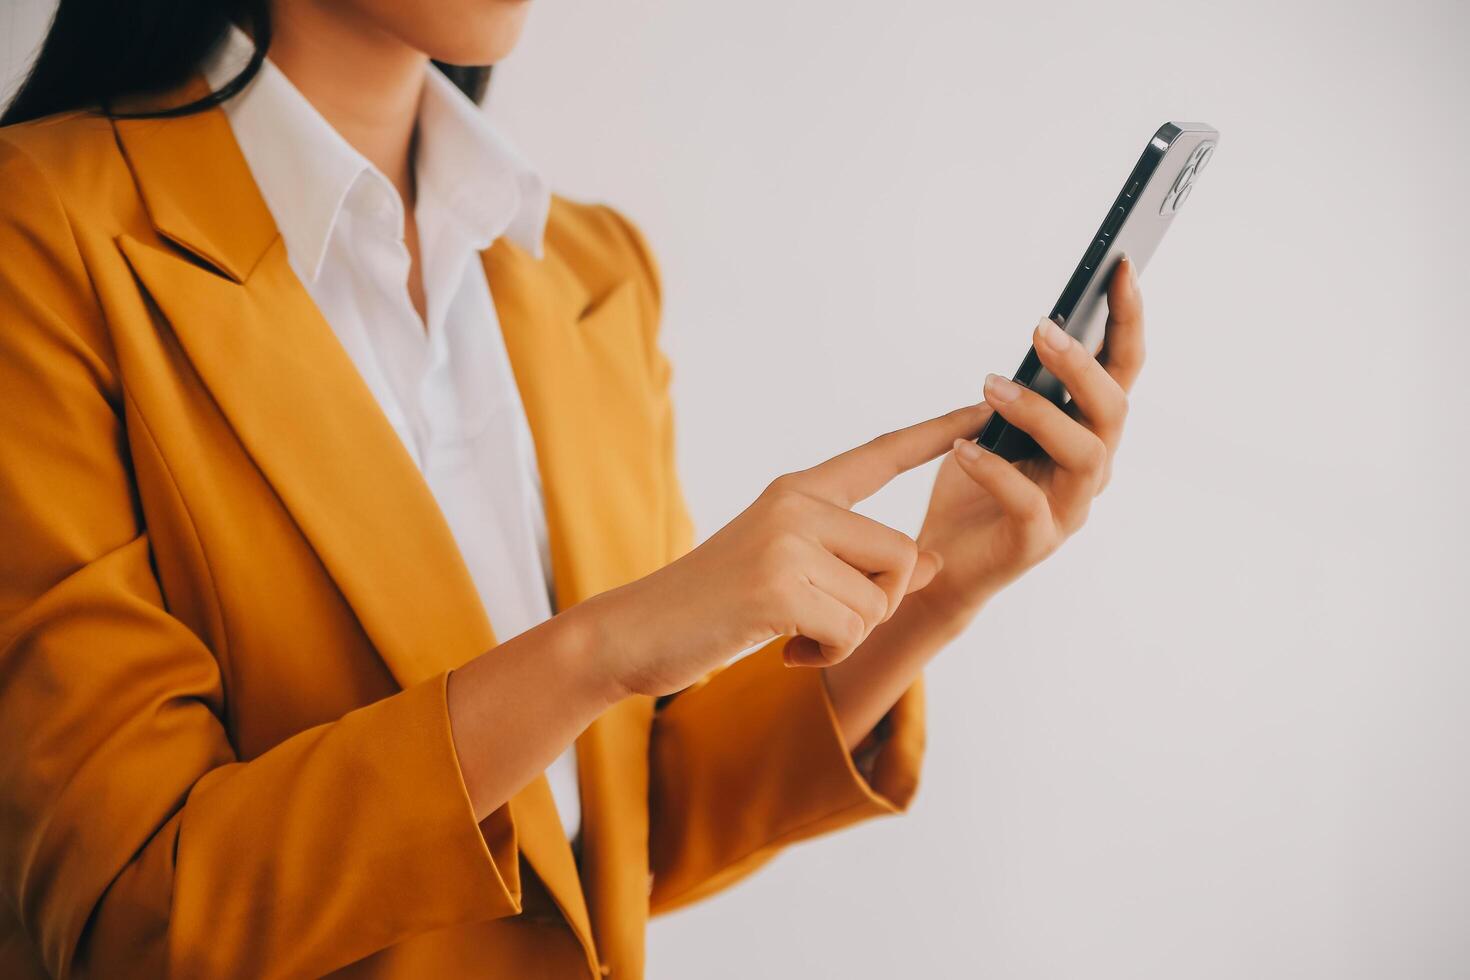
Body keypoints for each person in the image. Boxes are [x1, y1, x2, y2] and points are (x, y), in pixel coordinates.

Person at [0, 1, 1146, 976]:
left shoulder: (592, 274)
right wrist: (598, 647)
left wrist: (940, 581)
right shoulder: (39, 232)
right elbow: (126, 913)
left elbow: (624, 828)